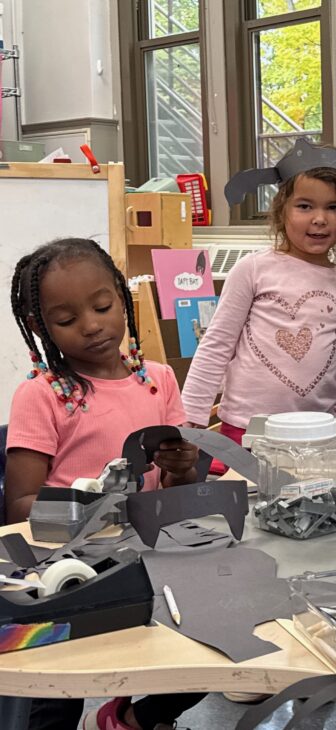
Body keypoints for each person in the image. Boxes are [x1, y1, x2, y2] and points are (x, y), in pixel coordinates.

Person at [3, 238, 204, 730]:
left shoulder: (158, 381)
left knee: (204, 643)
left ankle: (132, 717)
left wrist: (182, 467)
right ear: (40, 327)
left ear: (123, 297)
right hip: (67, 571)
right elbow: (19, 505)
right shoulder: (43, 395)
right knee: (55, 696)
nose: (92, 326)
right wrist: (93, 506)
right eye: (67, 320)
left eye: (102, 306)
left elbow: (180, 491)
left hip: (149, 560)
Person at [180, 143, 336, 450]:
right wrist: (192, 417)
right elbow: (217, 346)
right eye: (305, 206)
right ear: (282, 211)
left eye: (332, 207)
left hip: (316, 436)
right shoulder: (253, 270)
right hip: (245, 431)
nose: (319, 218)